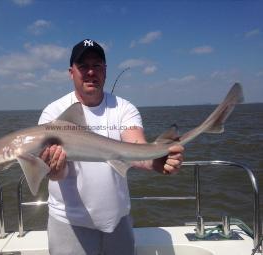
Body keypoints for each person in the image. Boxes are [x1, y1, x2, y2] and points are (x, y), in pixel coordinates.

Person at [38, 39, 184, 255]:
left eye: (96, 66)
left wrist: (156, 160)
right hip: (70, 224)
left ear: (105, 71)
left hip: (118, 222)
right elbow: (56, 173)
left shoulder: (124, 108)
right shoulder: (53, 113)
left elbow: (134, 145)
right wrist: (55, 170)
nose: (90, 72)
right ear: (71, 72)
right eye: (83, 66)